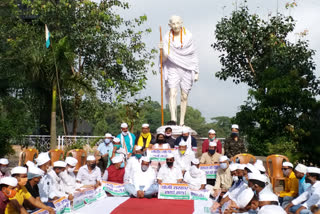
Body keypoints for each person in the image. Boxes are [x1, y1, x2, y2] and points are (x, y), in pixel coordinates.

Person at [159, 15, 199, 126]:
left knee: (184, 96)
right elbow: (164, 58)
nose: (176, 26)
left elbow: (193, 54)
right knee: (172, 92)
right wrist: (161, 51)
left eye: (178, 23)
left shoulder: (188, 36)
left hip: (186, 67)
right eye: (173, 23)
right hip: (172, 66)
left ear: (181, 23)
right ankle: (173, 119)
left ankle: (181, 122)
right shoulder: (167, 37)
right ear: (169, 25)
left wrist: (196, 71)